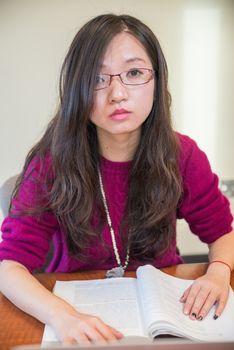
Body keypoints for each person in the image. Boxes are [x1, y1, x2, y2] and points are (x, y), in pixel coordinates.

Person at [0, 13, 233, 344]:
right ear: (77, 88)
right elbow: (9, 267)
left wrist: (218, 272)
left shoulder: (182, 154)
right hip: (75, 310)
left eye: (134, 73)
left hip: (169, 311)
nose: (117, 93)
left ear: (157, 80)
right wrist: (60, 315)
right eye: (97, 79)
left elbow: (222, 232)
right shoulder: (51, 162)